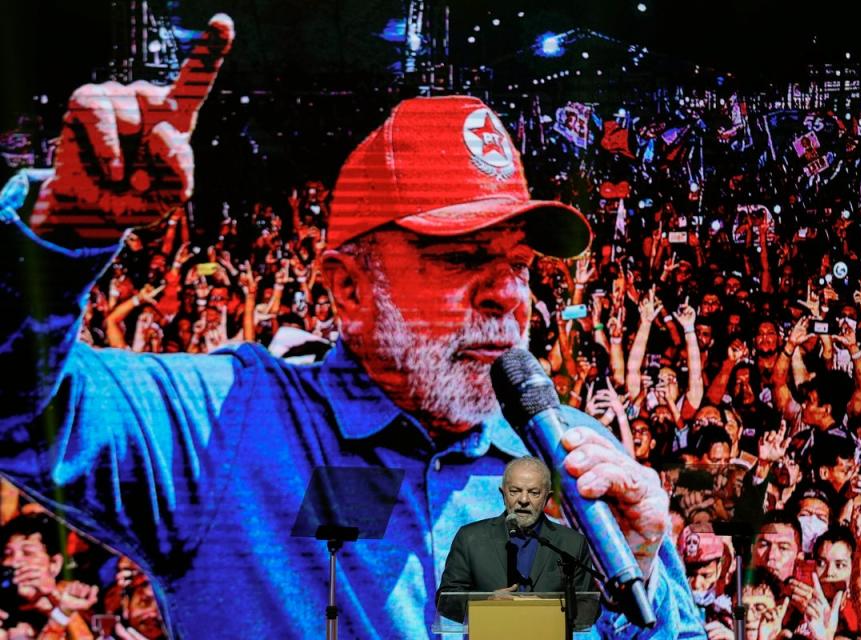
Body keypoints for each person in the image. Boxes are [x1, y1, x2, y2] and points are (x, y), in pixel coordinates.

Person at [0, 14, 700, 640]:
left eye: (520, 262)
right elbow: (18, 412)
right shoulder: (225, 429)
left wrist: (637, 590)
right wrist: (60, 239)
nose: (507, 293)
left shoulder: (580, 466)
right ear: (348, 289)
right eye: (462, 257)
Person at [436, 457, 599, 624]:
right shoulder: (470, 536)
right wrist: (484, 603)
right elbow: (446, 600)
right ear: (503, 493)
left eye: (534, 493)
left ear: (547, 497)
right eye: (515, 491)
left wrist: (550, 607)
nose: (523, 500)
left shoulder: (571, 542)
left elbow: (590, 608)